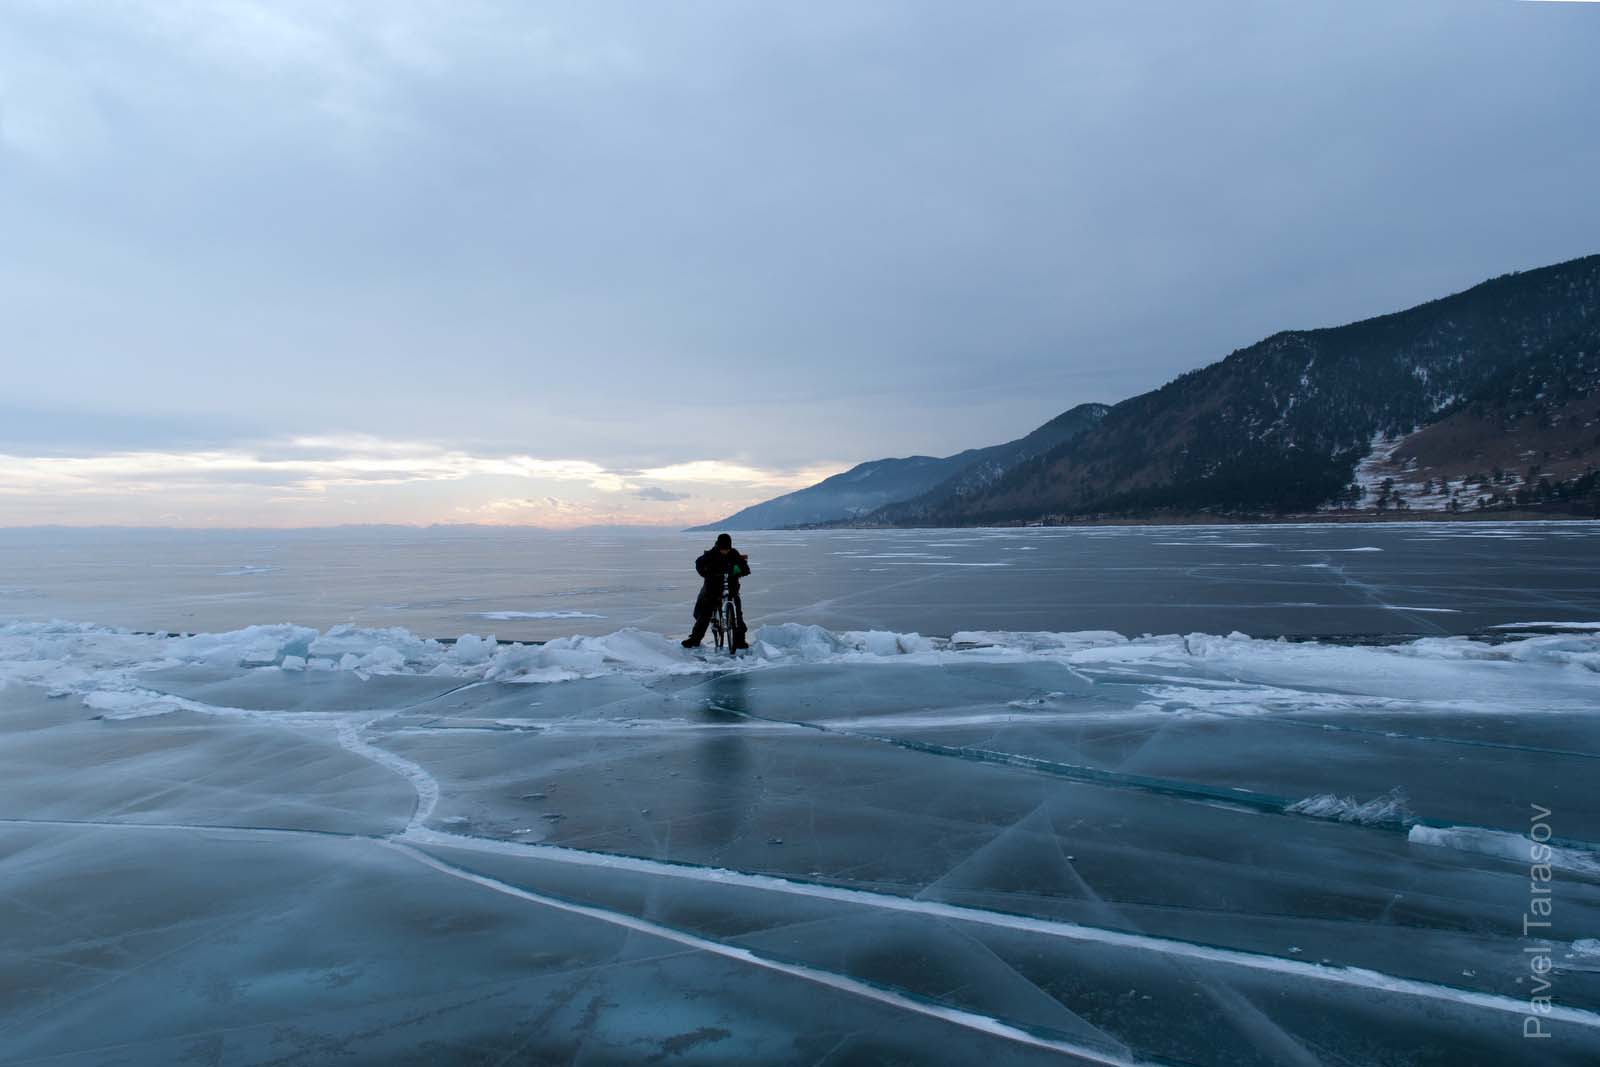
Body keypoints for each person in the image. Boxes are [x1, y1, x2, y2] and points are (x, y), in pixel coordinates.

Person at [681, 533, 751, 650]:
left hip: (732, 589)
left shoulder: (734, 554)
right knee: (705, 613)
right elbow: (699, 563)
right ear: (718, 546)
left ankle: (739, 641)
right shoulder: (711, 554)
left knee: (738, 615)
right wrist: (706, 572)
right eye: (723, 549)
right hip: (713, 589)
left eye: (727, 549)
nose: (725, 551)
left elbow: (744, 566)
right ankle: (695, 639)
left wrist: (741, 571)